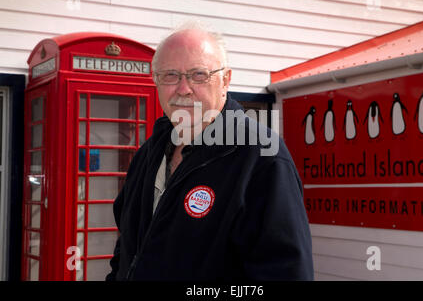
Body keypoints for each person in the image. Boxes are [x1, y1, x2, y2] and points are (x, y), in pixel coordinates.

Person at [106, 23, 314, 281]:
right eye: (170, 75)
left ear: (225, 80)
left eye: (199, 75)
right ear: (156, 80)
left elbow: (287, 274)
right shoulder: (148, 153)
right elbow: (126, 249)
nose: (184, 88)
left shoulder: (262, 157)